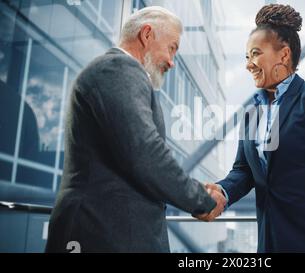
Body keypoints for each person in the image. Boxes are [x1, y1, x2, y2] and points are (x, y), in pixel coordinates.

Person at [45, 6, 226, 253]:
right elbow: (145, 152)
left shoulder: (120, 74)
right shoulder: (118, 69)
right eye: (172, 48)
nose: (172, 62)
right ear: (147, 34)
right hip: (101, 235)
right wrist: (202, 199)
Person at [207, 4, 305, 252]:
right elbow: (244, 171)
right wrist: (222, 192)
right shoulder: (252, 113)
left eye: (255, 54)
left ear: (284, 55)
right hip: (270, 243)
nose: (249, 64)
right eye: (247, 57)